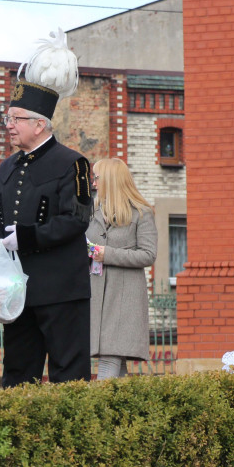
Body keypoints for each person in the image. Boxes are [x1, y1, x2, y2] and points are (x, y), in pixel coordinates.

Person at [0, 29, 94, 387]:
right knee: (16, 375)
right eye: (8, 118)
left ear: (39, 124)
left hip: (62, 290)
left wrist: (27, 237)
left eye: (15, 118)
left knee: (69, 376)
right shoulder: (7, 167)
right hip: (18, 291)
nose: (9, 126)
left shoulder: (73, 163)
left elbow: (76, 220)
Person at [86, 158, 158, 379]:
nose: (93, 183)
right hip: (96, 293)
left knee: (111, 355)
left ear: (109, 179)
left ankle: (98, 410)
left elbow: (148, 255)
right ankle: (121, 411)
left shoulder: (141, 213)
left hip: (125, 296)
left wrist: (107, 254)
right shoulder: (90, 212)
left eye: (96, 177)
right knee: (117, 361)